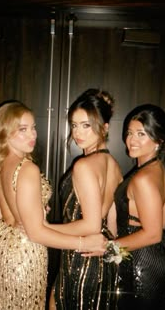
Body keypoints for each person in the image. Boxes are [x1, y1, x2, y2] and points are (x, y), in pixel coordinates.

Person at [0, 100, 106, 310]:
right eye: (22, 129)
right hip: (22, 255)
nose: (32, 135)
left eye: (33, 128)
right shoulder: (26, 168)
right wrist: (85, 244)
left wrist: (30, 209)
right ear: (5, 132)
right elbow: (35, 233)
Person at [85, 103, 165, 309]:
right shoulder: (158, 170)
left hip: (142, 266)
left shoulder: (143, 179)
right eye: (130, 132)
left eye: (141, 134)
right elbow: (161, 225)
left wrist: (107, 248)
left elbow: (153, 233)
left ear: (159, 140)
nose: (132, 140)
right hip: (156, 259)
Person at [46, 88, 123, 309]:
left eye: (86, 125)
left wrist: (45, 228)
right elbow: (112, 228)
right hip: (101, 260)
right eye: (74, 125)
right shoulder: (116, 168)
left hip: (80, 257)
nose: (78, 132)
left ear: (105, 127)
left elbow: (91, 224)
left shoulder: (83, 165)